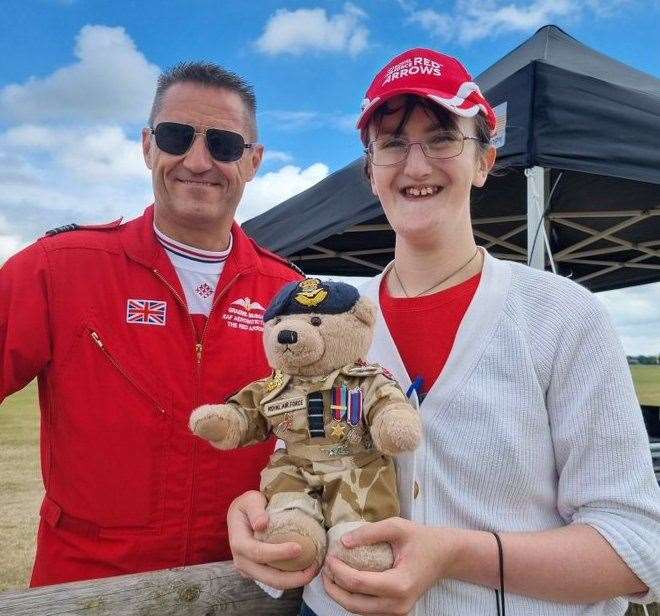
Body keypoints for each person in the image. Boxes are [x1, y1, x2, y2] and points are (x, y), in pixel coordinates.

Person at [226, 48, 660, 615]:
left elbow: (635, 548)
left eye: (441, 138)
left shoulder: (564, 317)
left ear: (484, 162)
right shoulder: (330, 324)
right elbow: (307, 466)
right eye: (392, 144)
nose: (416, 165)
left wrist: (455, 555)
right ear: (371, 173)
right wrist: (264, 522)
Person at [0, 62, 302, 587]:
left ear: (253, 162)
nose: (198, 160)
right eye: (176, 136)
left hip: (240, 589)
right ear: (147, 146)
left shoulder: (290, 295)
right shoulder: (58, 267)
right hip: (90, 589)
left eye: (225, 145)